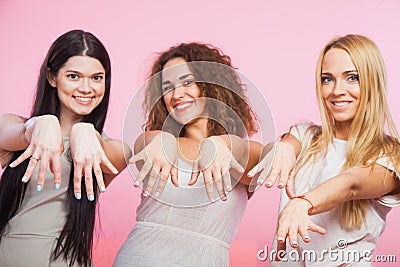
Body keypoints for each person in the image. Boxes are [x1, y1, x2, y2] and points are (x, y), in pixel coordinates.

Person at [250, 34, 400, 266]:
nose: (337, 90)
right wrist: (284, 147)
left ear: (373, 82)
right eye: (327, 79)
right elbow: (290, 142)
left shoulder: (390, 155)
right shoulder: (305, 136)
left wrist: (303, 203)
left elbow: (351, 183)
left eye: (352, 78)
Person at [113, 43, 263, 266]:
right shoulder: (155, 142)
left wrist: (222, 143)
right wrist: (163, 140)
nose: (177, 94)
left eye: (187, 82)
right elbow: (147, 143)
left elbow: (256, 160)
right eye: (167, 87)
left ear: (212, 84)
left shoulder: (241, 152)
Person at [0, 30, 130, 267]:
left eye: (96, 78)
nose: (86, 88)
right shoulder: (14, 127)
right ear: (52, 77)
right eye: (73, 76)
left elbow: (113, 154)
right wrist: (40, 124)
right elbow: (11, 133)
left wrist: (86, 132)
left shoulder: (112, 150)